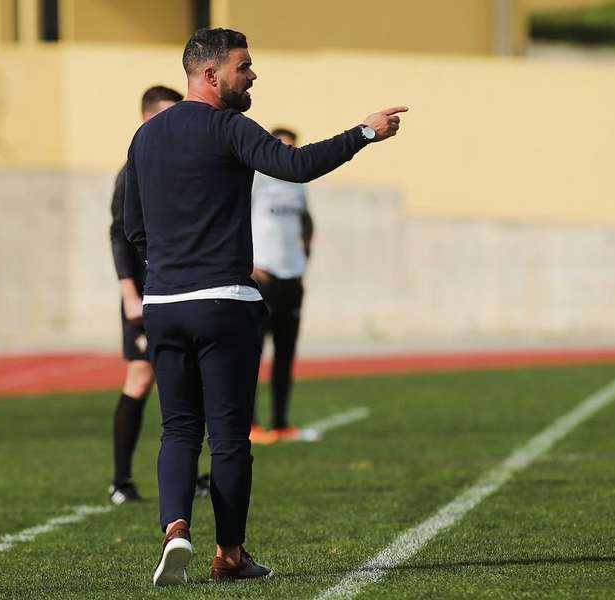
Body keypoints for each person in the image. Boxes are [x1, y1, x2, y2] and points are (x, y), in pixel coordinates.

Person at [124, 27, 406, 586]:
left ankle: (175, 529)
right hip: (223, 301)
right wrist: (364, 133)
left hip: (163, 302)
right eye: (244, 66)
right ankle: (229, 555)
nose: (252, 76)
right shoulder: (228, 126)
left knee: (178, 428)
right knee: (229, 436)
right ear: (210, 76)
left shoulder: (144, 138)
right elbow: (296, 167)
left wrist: (170, 268)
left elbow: (133, 227)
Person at [108, 85, 213, 504]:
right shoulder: (133, 168)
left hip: (180, 287)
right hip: (146, 292)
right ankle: (121, 481)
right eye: (168, 116)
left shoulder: (183, 167)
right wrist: (130, 295)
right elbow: (120, 235)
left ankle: (197, 473)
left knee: (197, 378)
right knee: (140, 375)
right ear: (148, 118)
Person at [249, 127, 316, 444]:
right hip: (263, 278)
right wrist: (249, 265)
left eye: (294, 149)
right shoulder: (255, 179)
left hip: (292, 278)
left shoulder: (298, 184)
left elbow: (306, 220)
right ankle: (249, 423)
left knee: (285, 355)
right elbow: (234, 219)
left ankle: (280, 422)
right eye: (283, 148)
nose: (288, 155)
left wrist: (305, 253)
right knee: (250, 355)